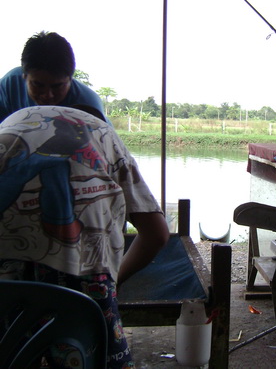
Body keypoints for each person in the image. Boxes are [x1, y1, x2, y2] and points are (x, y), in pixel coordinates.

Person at [0, 105, 170, 368]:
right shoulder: (104, 136)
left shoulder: (14, 131)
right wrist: (115, 281)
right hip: (85, 279)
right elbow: (157, 234)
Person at [0, 31, 105, 122]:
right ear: (24, 77)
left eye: (57, 86)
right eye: (38, 85)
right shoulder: (9, 85)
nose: (48, 95)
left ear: (70, 79)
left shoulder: (89, 105)